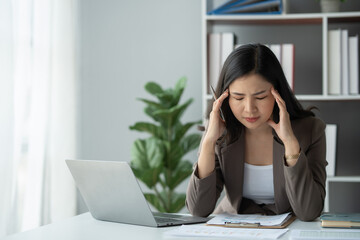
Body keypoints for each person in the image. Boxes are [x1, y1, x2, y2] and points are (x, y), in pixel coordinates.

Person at [186, 43, 327, 221]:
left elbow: (309, 212)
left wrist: (290, 142)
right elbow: (198, 210)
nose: (249, 109)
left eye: (260, 97)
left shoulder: (312, 130)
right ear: (224, 97)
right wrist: (208, 142)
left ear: (278, 93)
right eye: (238, 97)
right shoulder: (219, 130)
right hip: (233, 226)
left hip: (290, 229)